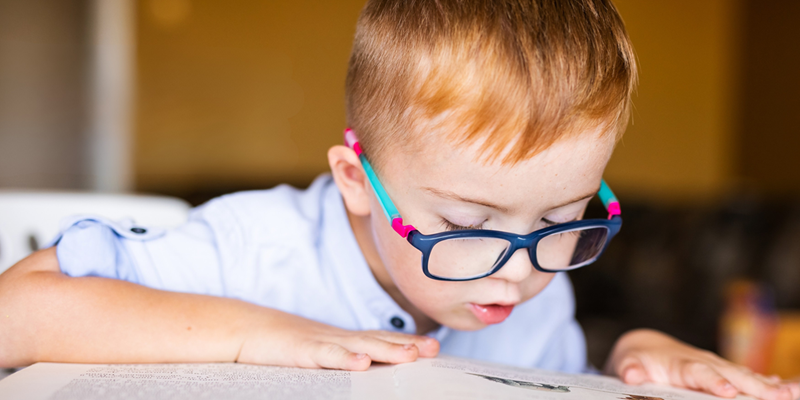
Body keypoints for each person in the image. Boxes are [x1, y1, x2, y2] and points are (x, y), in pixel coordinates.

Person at [0, 1, 797, 399]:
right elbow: (16, 313)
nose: (516, 274)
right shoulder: (251, 245)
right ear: (356, 184)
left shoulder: (534, 300)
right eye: (463, 224)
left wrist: (629, 360)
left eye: (563, 219)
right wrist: (253, 335)